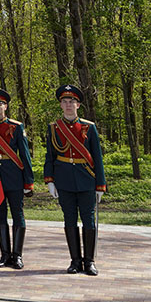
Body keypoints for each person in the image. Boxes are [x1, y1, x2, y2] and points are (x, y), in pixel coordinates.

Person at [44, 84, 106, 276]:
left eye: (72, 101)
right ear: (61, 105)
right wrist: (50, 181)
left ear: (78, 105)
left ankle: (89, 262)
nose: (68, 105)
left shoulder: (89, 127)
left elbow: (97, 157)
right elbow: (50, 156)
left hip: (86, 179)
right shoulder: (54, 128)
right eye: (65, 101)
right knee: (69, 220)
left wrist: (100, 185)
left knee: (88, 220)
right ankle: (75, 261)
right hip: (64, 181)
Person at [0, 88, 34, 269]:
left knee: (18, 215)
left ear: (5, 106)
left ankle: (17, 255)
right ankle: (4, 254)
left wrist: (28, 181)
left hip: (14, 175)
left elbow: (25, 155)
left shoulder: (16, 126)